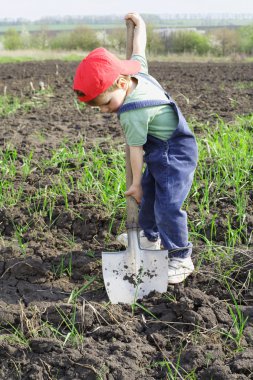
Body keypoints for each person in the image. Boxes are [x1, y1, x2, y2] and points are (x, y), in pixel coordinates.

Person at [73, 13, 198, 284]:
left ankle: (180, 255)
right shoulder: (135, 72)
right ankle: (150, 238)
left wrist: (137, 184)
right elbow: (138, 50)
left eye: (105, 104)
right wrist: (140, 26)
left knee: (167, 205)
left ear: (121, 83)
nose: (106, 111)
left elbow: (135, 150)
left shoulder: (133, 111)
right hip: (162, 148)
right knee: (151, 198)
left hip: (174, 153)